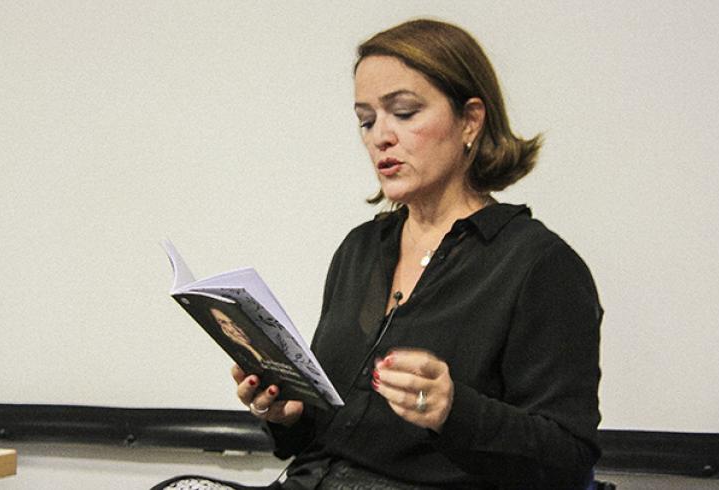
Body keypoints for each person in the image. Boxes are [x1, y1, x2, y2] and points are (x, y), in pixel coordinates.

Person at [158, 18, 602, 490]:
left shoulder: (539, 264)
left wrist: (454, 411)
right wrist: (289, 415)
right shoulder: (361, 250)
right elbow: (330, 432)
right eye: (366, 121)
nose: (380, 137)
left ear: (471, 120)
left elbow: (568, 459)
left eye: (404, 113)